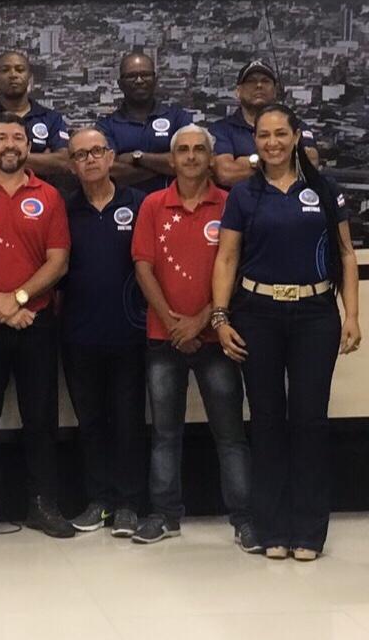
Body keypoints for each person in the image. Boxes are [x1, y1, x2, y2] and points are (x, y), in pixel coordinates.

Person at [212, 104, 360, 561]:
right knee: (268, 420)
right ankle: (273, 528)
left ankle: (309, 532)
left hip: (315, 314)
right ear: (254, 141)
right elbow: (227, 258)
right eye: (263, 135)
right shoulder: (244, 194)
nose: (272, 142)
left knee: (310, 421)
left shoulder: (324, 189)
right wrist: (220, 317)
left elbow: (346, 255)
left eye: (280, 134)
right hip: (258, 314)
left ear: (296, 136)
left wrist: (351, 315)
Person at [130, 125, 257, 549]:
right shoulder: (152, 205)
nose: (190, 156)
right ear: (171, 160)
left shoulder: (231, 203)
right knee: (165, 435)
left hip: (216, 337)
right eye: (182, 150)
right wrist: (173, 324)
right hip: (163, 337)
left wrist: (203, 320)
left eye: (198, 149)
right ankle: (165, 515)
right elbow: (143, 267)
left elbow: (236, 268)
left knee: (230, 435)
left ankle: (244, 520)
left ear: (210, 157)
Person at [0, 112, 74, 541]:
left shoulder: (50, 196)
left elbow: (58, 262)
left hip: (35, 321)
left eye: (17, 138)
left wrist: (18, 299)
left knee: (40, 417)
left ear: (28, 146)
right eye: (1, 137)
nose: (9, 145)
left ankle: (43, 503)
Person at [61, 128, 148, 537]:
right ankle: (100, 501)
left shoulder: (140, 204)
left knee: (129, 422)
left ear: (111, 157)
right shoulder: (63, 209)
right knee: (91, 422)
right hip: (79, 333)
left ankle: (130, 504)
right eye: (81, 155)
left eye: (97, 151)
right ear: (71, 165)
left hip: (129, 332)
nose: (90, 159)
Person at [211, 61, 320, 188]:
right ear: (238, 91)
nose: (259, 85)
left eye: (265, 81)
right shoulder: (221, 129)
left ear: (275, 91)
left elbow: (310, 161)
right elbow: (226, 173)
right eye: (251, 81)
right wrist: (281, 158)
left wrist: (251, 162)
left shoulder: (296, 125)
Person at [0, 51, 70, 178]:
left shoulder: (51, 118)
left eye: (20, 70)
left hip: (41, 190)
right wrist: (44, 159)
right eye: (5, 70)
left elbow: (64, 163)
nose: (13, 75)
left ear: (30, 78)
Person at [97, 53, 193, 193]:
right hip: (126, 205)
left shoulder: (178, 117)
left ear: (155, 80)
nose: (139, 80)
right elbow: (110, 171)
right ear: (120, 84)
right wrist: (164, 167)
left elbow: (188, 161)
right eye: (131, 76)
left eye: (145, 74)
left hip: (171, 203)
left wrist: (137, 157)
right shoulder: (106, 126)